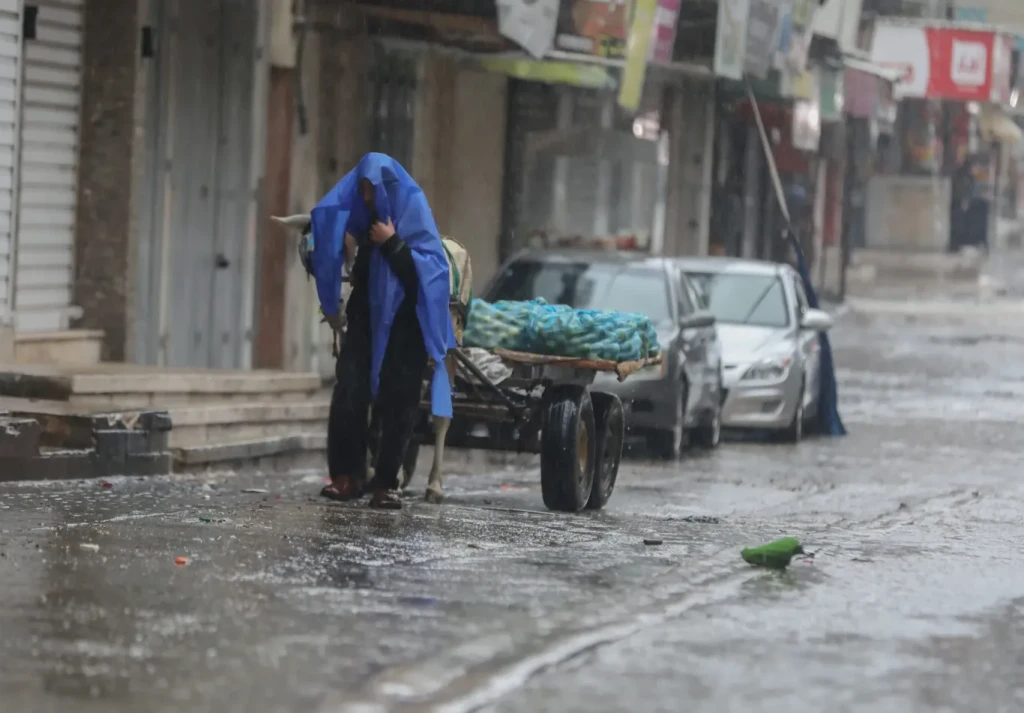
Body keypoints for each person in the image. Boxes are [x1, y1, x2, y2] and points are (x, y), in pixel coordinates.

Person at [308, 153, 455, 510]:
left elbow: (431, 275)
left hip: (407, 328)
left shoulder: (412, 209)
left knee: (400, 402)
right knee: (349, 393)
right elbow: (352, 252)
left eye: (370, 188)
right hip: (366, 322)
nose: (366, 195)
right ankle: (346, 475)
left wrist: (392, 243)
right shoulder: (366, 215)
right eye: (361, 188)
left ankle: (387, 482)